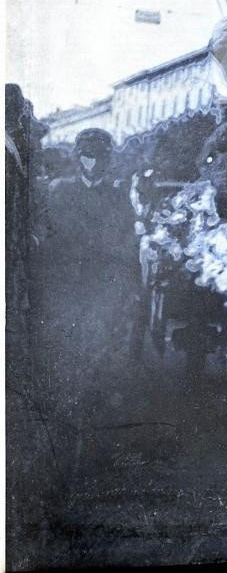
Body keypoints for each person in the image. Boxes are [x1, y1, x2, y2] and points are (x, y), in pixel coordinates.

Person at [41, 128, 143, 471]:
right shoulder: (60, 192)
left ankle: (94, 446)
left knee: (100, 362)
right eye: (87, 155)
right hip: (66, 290)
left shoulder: (118, 199)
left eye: (99, 157)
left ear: (107, 160)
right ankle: (64, 441)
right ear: (78, 157)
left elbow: (127, 248)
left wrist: (125, 290)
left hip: (103, 291)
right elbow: (50, 242)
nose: (92, 163)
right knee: (67, 362)